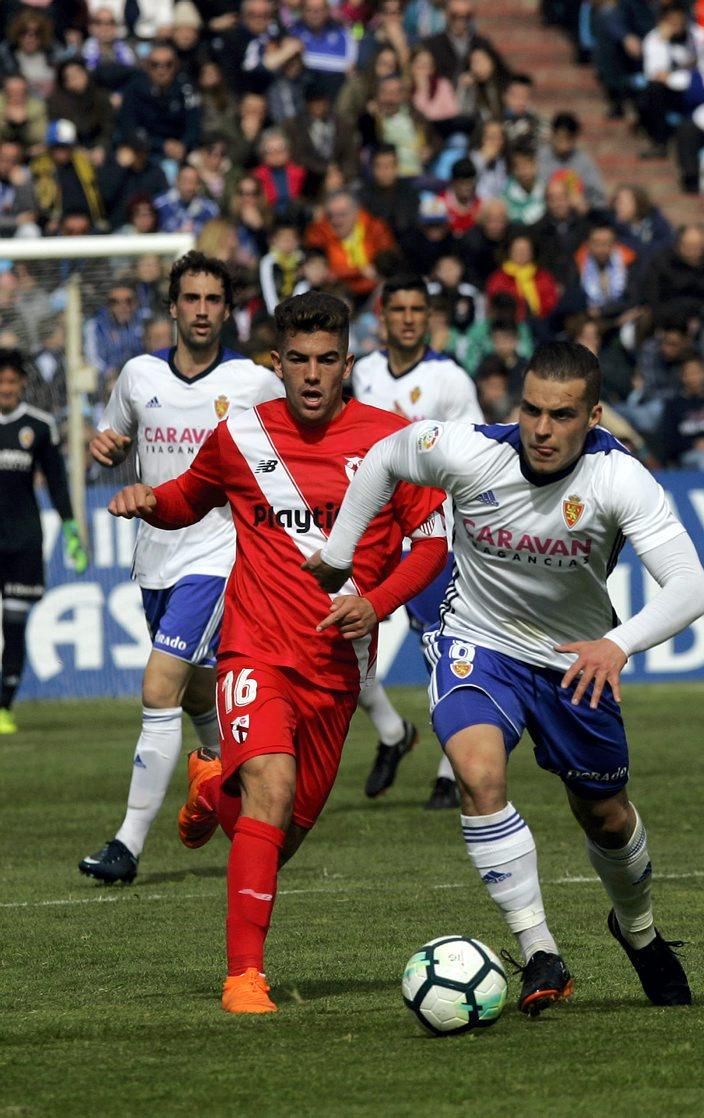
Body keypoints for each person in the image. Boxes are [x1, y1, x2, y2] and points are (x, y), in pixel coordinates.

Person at [308, 340, 704, 1014]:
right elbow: (384, 457)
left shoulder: (620, 478)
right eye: (531, 410)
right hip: (478, 642)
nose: (543, 429)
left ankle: (638, 932)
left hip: (574, 660)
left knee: (607, 819)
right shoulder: (469, 450)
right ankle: (539, 950)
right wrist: (339, 552)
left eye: (562, 415)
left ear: (594, 416)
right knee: (477, 774)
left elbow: (691, 587)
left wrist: (616, 644)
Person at [104, 292, 448, 1013]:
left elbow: (433, 542)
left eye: (328, 361)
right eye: (299, 361)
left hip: (337, 674)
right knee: (271, 789)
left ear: (348, 363)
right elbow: (187, 499)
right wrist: (147, 500)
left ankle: (210, 785)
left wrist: (377, 604)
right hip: (254, 649)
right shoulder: (241, 437)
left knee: (275, 833)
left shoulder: (393, 440)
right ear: (277, 363)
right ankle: (244, 979)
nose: (314, 375)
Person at [77, 252, 285, 885]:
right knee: (196, 691)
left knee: (158, 686)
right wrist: (103, 445)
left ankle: (127, 845)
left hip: (219, 556)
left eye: (212, 300)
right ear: (172, 307)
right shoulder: (138, 376)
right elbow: (111, 437)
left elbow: (302, 437)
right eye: (190, 299)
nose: (200, 310)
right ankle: (227, 780)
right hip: (155, 557)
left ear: (228, 309)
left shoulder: (254, 382)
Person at [351, 275, 483, 808]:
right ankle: (392, 732)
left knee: (440, 650)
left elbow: (473, 454)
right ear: (382, 316)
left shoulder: (448, 379)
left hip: (430, 528)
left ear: (428, 317)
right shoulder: (359, 374)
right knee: (341, 643)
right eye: (397, 308)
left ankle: (452, 772)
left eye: (416, 309)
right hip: (370, 528)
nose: (407, 318)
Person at [0, 348, 88, 734]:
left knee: (14, 624)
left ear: (22, 385)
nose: (6, 387)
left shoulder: (39, 426)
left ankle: (3, 707)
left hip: (22, 541)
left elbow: (56, 481)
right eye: (1, 380)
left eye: (12, 381)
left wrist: (70, 528)